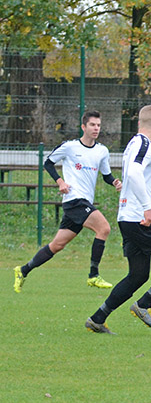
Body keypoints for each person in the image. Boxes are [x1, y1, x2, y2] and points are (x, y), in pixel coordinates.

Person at [85, 105, 151, 334]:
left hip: (128, 218)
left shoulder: (136, 144)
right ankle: (144, 304)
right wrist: (147, 209)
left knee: (138, 274)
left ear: (139, 123)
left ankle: (97, 318)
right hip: (139, 219)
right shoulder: (144, 145)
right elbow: (134, 174)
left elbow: (143, 177)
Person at [13, 111, 122, 293]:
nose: (96, 128)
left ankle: (22, 270)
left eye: (98, 125)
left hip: (84, 201)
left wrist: (115, 182)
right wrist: (60, 182)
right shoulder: (70, 147)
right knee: (104, 228)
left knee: (57, 245)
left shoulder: (102, 151)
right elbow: (48, 163)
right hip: (74, 200)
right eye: (92, 125)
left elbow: (107, 176)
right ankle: (93, 275)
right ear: (83, 127)